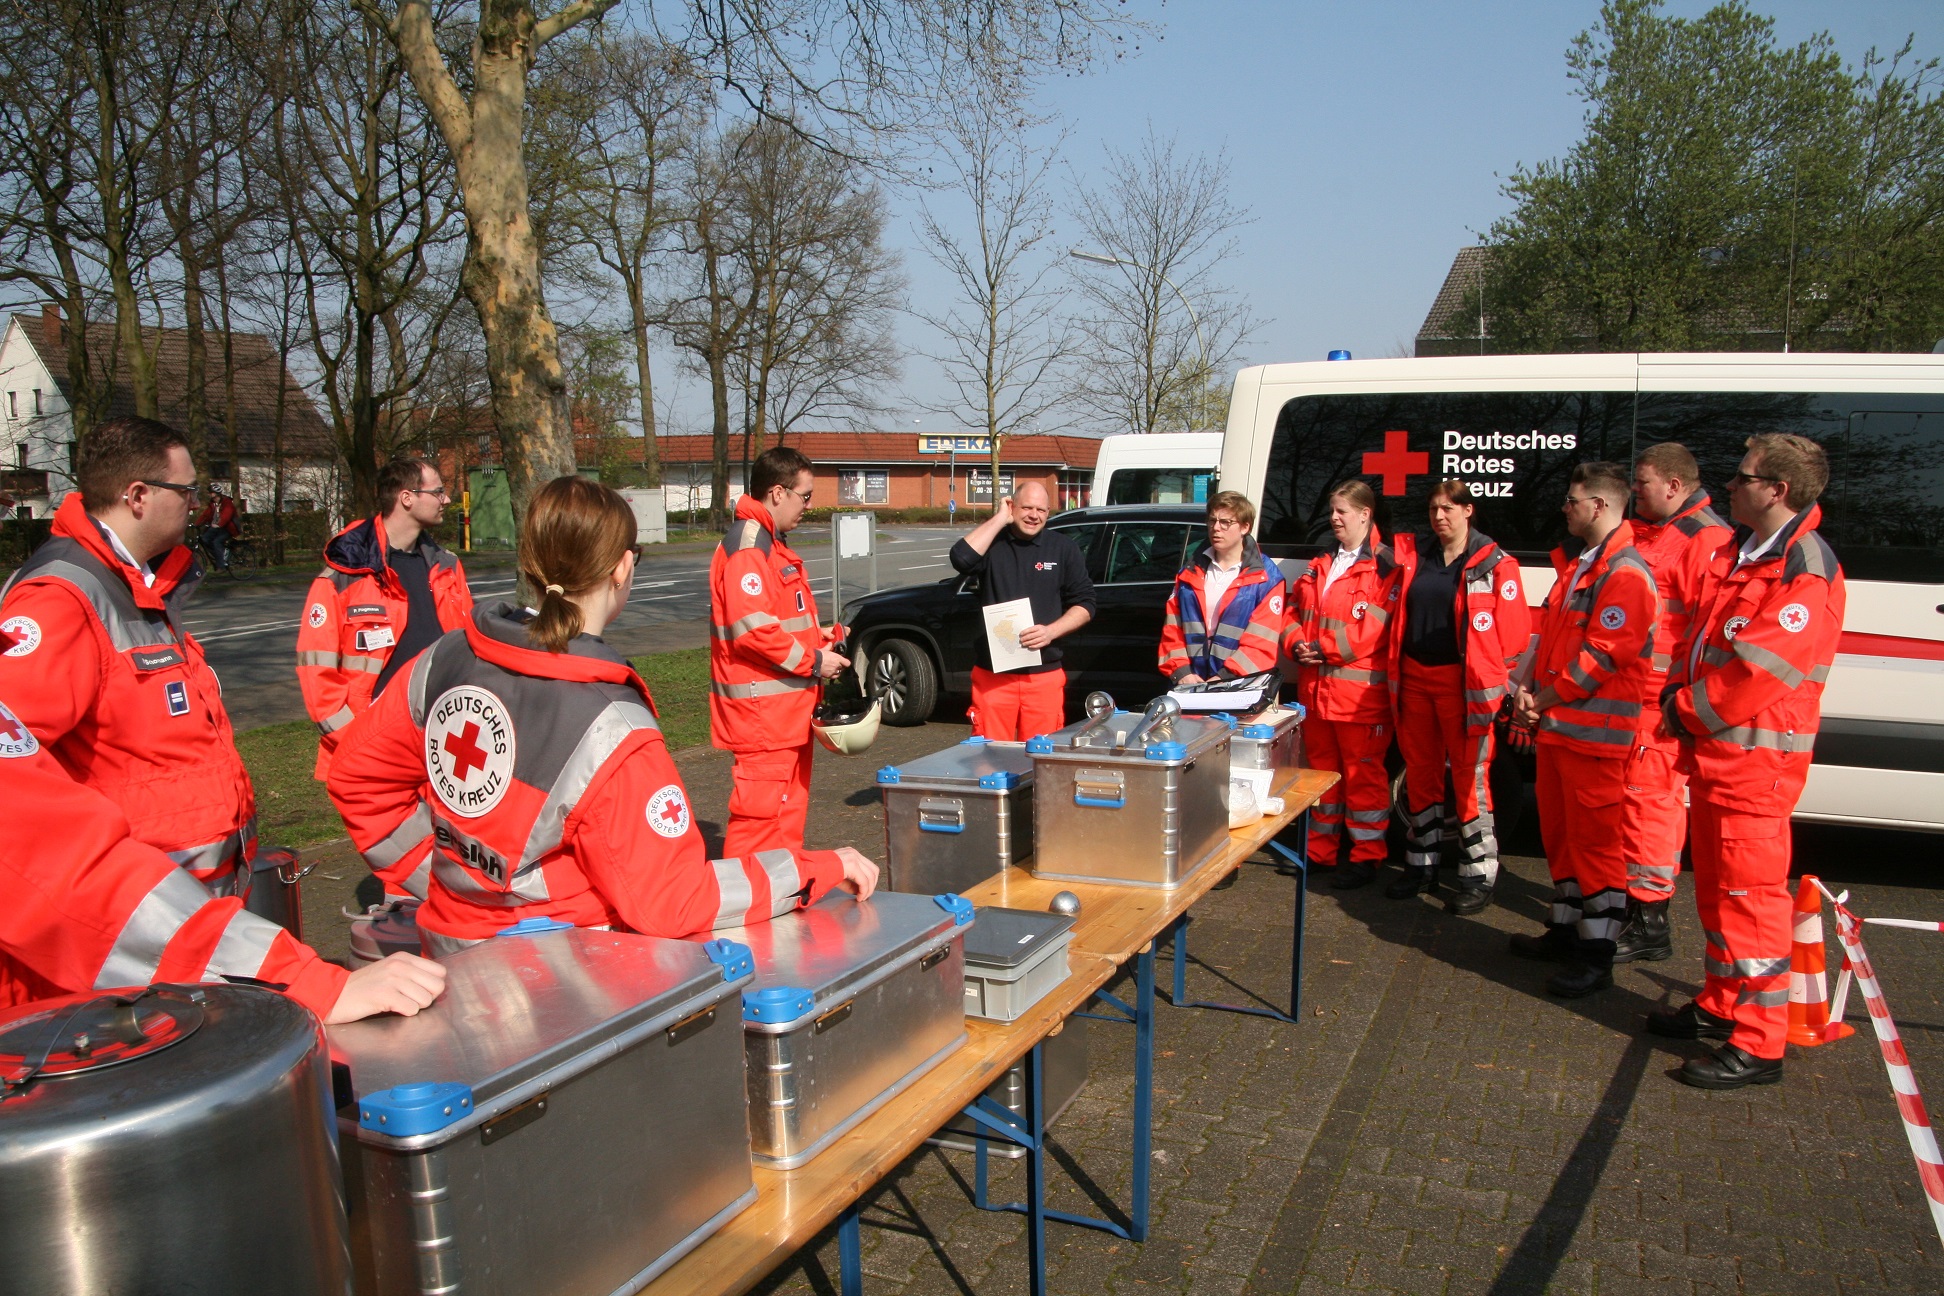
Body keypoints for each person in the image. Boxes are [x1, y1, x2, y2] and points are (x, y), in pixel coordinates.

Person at [328, 476, 879, 952]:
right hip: (564, 974)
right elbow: (672, 899)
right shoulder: (612, 726)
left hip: (448, 946)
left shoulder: (446, 656)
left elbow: (356, 778)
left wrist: (443, 880)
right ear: (621, 568)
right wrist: (818, 867)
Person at [0, 688, 446, 1022]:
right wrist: (306, 984)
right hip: (123, 962)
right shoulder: (65, 597)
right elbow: (61, 874)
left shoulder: (147, 599)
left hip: (144, 948)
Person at [1651, 434, 1844, 1090]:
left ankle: (1759, 1044)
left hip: (1755, 769)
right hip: (1721, 760)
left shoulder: (1803, 568)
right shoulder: (1745, 552)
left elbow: (1760, 671)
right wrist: (1680, 698)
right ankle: (1723, 1005)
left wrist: (1686, 710)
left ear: (1777, 490)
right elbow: (1705, 641)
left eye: (1742, 477)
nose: (1727, 486)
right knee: (1717, 897)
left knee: (1752, 905)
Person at [0, 416, 258, 896]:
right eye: (187, 491)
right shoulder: (61, 596)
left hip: (187, 896)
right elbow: (14, 764)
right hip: (140, 904)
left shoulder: (141, 582)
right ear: (138, 496)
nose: (197, 504)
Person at [1509, 463, 1659, 997]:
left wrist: (1540, 701)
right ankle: (1567, 930)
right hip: (1559, 730)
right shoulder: (1582, 567)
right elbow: (1549, 642)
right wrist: (1524, 693)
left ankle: (1597, 953)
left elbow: (1600, 659)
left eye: (1573, 501)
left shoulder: (1624, 573)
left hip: (1594, 738)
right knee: (1563, 841)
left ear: (1599, 506)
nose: (1564, 508)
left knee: (1597, 848)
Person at [1385, 481, 1530, 913]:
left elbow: (1514, 636)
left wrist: (1493, 682)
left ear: (1469, 511)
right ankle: (1420, 865)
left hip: (1463, 687)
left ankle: (1478, 875)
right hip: (1415, 678)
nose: (1439, 516)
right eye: (1433, 509)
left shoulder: (1495, 564)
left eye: (1448, 508)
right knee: (1422, 774)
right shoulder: (1416, 558)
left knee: (1471, 783)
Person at [1615, 443, 1732, 963]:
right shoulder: (1658, 532)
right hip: (1634, 699)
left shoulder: (1705, 540)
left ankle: (1649, 921)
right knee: (1633, 807)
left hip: (1658, 705)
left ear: (1674, 486)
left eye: (1641, 483)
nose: (1633, 492)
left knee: (1651, 808)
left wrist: (1680, 701)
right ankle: (1631, 907)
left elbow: (1708, 633)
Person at [708, 446, 849, 857]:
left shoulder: (768, 543)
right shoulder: (752, 547)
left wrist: (819, 636)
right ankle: (747, 908)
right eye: (804, 496)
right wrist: (816, 660)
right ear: (776, 493)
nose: (808, 505)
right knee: (759, 825)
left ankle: (781, 897)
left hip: (781, 715)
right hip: (763, 718)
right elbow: (753, 631)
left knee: (785, 821)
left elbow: (772, 620)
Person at [297, 456, 472, 780]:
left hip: (442, 746)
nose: (446, 499)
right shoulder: (343, 576)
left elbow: (468, 649)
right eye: (438, 491)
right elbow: (317, 677)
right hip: (375, 755)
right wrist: (359, 745)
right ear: (407, 498)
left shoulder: (448, 567)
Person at [1284, 480, 1399, 890]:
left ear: (1365, 515)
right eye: (1332, 510)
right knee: (1321, 779)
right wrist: (1296, 643)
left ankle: (1367, 857)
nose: (1334, 518)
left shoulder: (1385, 566)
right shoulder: (1322, 563)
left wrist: (1320, 648)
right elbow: (1291, 610)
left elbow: (1373, 631)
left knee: (1364, 781)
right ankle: (1320, 852)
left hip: (1359, 700)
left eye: (1342, 511)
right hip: (1316, 695)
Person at [949, 480, 1097, 740]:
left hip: (1043, 675)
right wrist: (998, 519)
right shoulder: (993, 544)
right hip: (994, 675)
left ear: (1049, 512)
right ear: (1012, 506)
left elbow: (1086, 604)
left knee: (1041, 759)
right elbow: (960, 558)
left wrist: (1051, 631)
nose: (1034, 515)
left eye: (1041, 510)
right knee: (989, 755)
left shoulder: (1063, 548)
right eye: (1026, 507)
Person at [1158, 490, 1285, 687]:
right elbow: (1172, 630)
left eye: (1226, 522)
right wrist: (1182, 672)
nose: (1216, 528)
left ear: (1245, 527)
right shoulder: (1189, 572)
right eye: (1212, 520)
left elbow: (1261, 643)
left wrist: (1224, 679)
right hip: (1191, 683)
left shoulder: (1267, 578)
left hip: (1240, 686)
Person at [193, 485, 241, 570]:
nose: (209, 495)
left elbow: (226, 515)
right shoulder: (213, 504)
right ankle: (218, 555)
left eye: (211, 493)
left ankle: (221, 566)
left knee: (217, 542)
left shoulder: (227, 502)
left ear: (216, 494)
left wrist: (219, 524)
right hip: (217, 528)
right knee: (204, 539)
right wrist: (196, 524)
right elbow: (205, 515)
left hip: (228, 528)